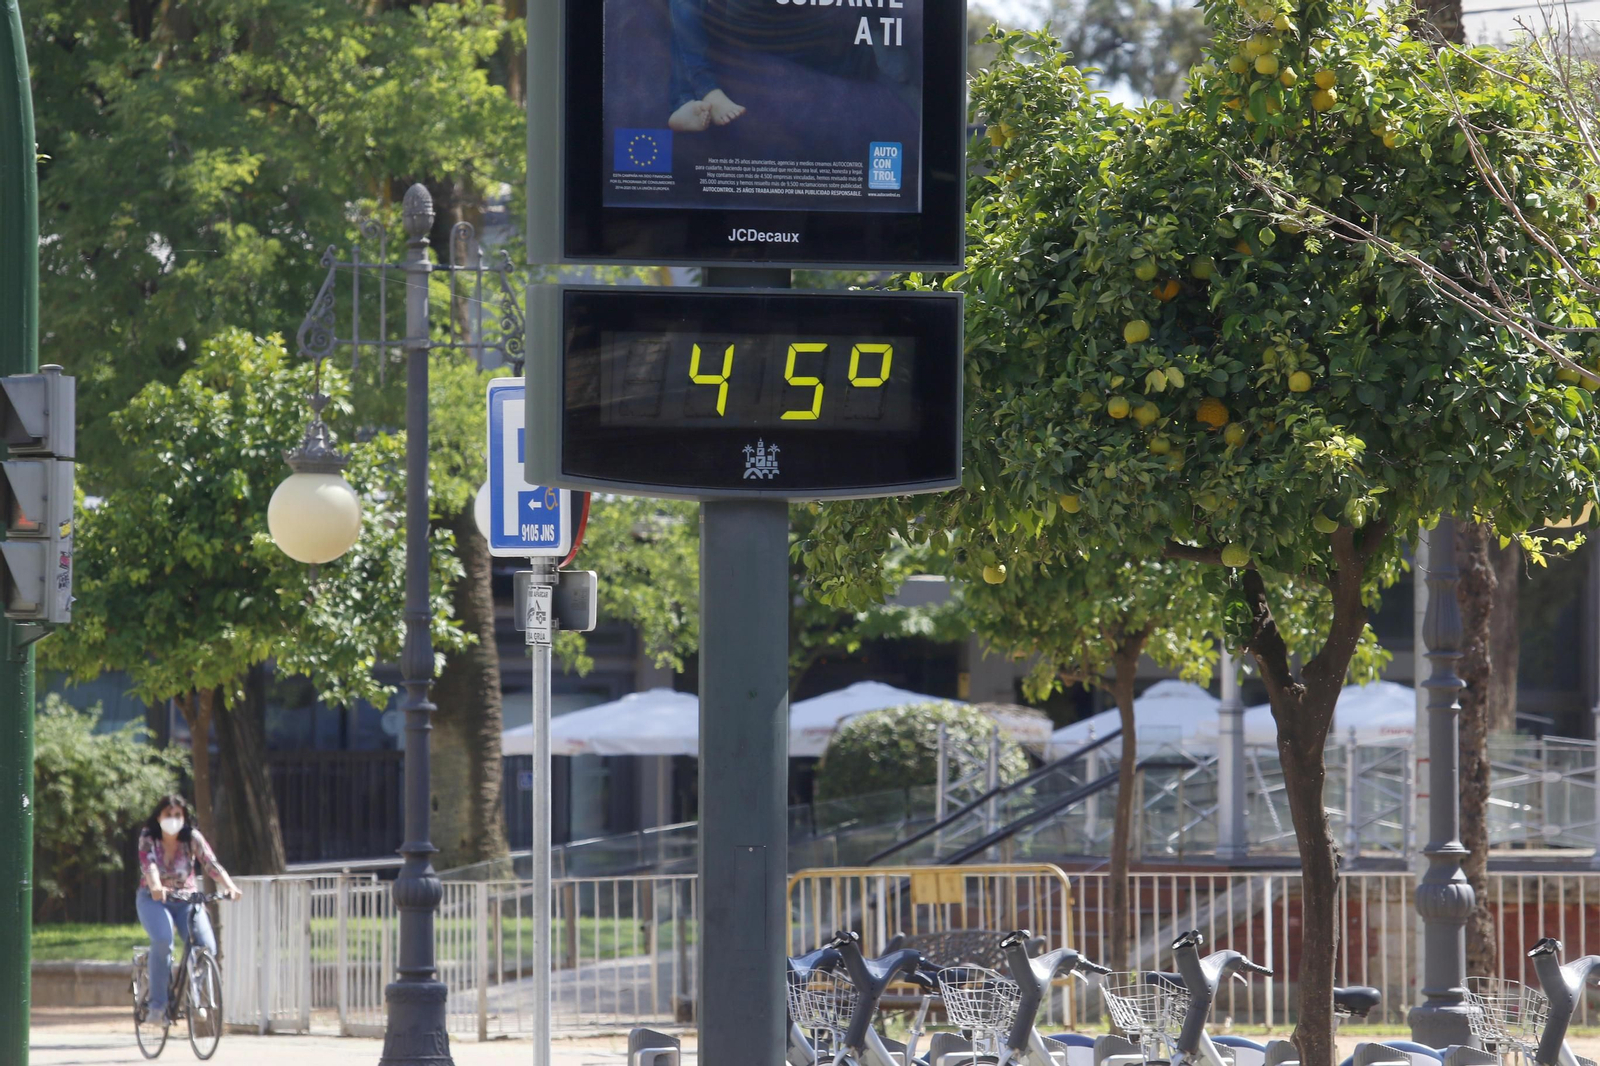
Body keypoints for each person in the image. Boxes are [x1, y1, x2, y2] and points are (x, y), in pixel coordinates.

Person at [135, 794, 241, 1024]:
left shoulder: (192, 837)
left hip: (186, 900)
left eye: (177, 815)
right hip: (153, 900)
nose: (173, 820)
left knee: (206, 946)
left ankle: (195, 995)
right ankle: (157, 1006)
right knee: (163, 940)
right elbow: (149, 865)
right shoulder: (148, 837)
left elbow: (210, 863)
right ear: (158, 817)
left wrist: (230, 887)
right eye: (168, 815)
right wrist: (155, 886)